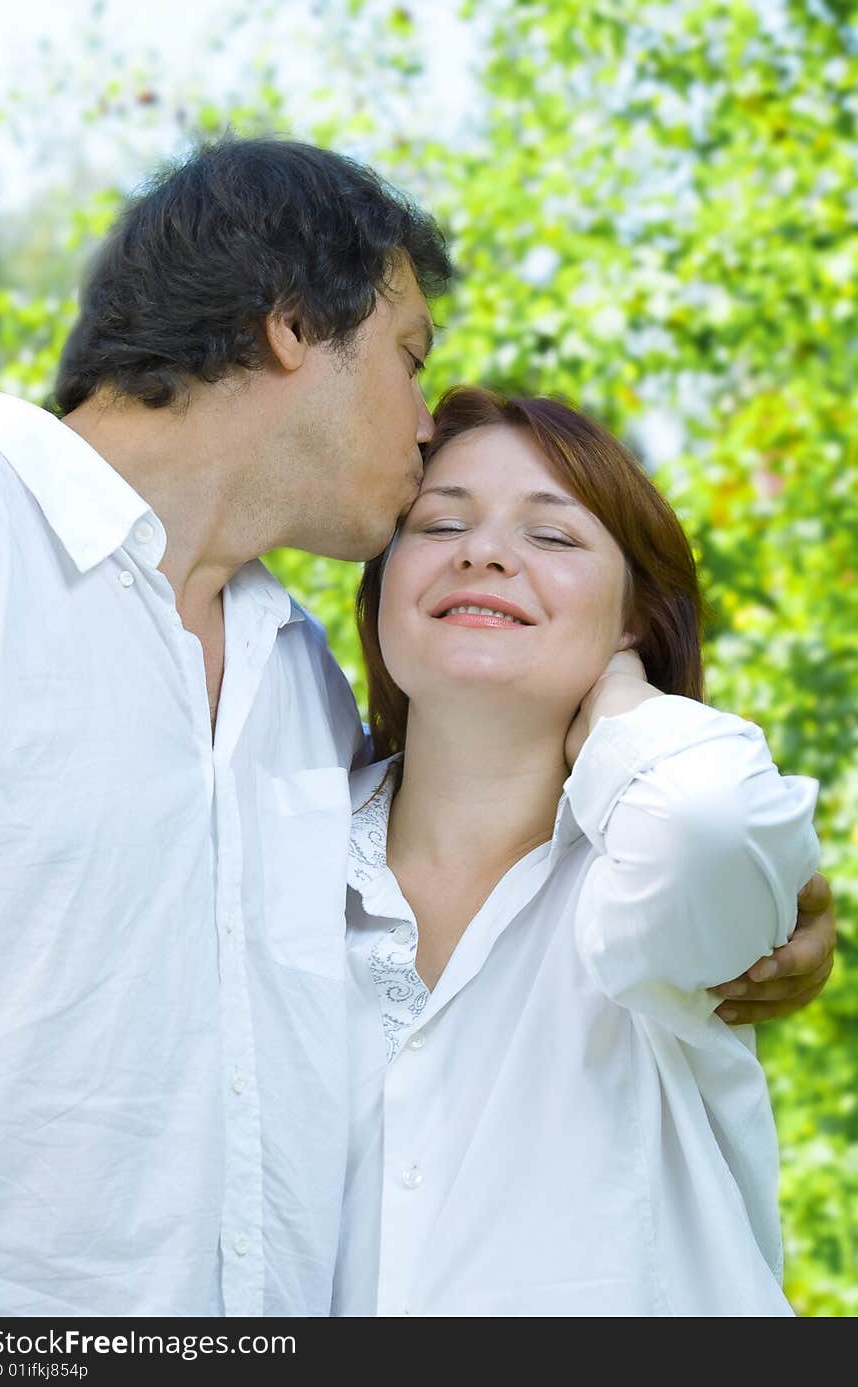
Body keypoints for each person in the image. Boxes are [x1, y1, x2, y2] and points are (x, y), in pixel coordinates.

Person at [0, 137, 835, 1318]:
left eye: (550, 535)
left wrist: (752, 867)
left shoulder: (292, 684)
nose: (423, 422)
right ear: (290, 325)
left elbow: (683, 837)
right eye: (409, 358)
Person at [333, 388, 820, 1316]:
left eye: (553, 538)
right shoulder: (279, 860)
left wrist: (621, 704)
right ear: (383, 582)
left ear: (636, 616)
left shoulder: (646, 878)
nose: (483, 553)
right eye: (439, 524)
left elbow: (712, 821)